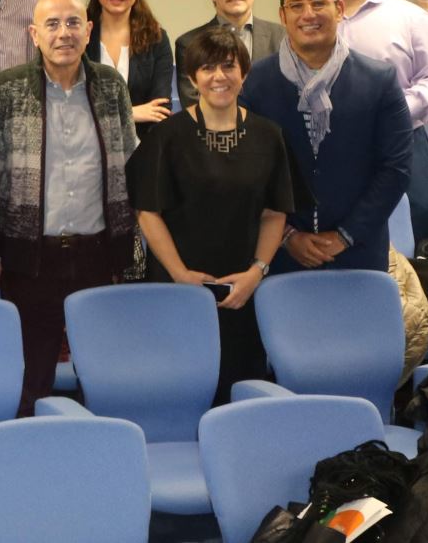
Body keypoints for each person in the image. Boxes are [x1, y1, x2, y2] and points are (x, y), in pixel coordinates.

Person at [127, 27, 300, 403]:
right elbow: (148, 212)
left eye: (228, 66)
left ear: (245, 73)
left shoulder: (268, 136)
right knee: (179, 391)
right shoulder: (167, 136)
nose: (218, 76)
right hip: (180, 287)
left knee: (242, 391)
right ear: (191, 78)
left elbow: (274, 213)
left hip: (243, 289)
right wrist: (180, 275)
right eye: (206, 68)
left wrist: (257, 272)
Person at [0, 0, 137, 417]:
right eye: (52, 25)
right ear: (34, 34)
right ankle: (29, 469)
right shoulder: (8, 89)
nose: (64, 34)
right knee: (30, 378)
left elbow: (127, 162)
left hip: (97, 254)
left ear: (89, 30)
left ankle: (102, 467)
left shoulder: (111, 86)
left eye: (73, 23)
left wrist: (127, 249)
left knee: (103, 373)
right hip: (31, 258)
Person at [240, 0, 412, 273]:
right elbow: (247, 170)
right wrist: (288, 235)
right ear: (283, 16)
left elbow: (395, 168)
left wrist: (346, 236)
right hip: (282, 253)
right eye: (296, 6)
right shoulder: (257, 83)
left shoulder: (379, 79)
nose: (308, 14)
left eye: (318, 3)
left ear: (339, 9)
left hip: (359, 250)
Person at [326, 0, 428, 246]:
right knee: (344, 223)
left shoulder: (409, 17)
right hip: (334, 144)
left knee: (418, 216)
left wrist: (396, 112)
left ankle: (425, 293)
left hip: (401, 138)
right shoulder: (315, 19)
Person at [174, 0, 284, 107]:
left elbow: (286, 95)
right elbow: (193, 104)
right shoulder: (189, 43)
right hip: (213, 131)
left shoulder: (281, 37)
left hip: (270, 129)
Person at [84, 0, 173, 136]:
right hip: (87, 147)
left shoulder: (156, 39)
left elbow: (160, 110)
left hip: (142, 148)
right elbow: (75, 107)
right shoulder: (79, 37)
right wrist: (132, 113)